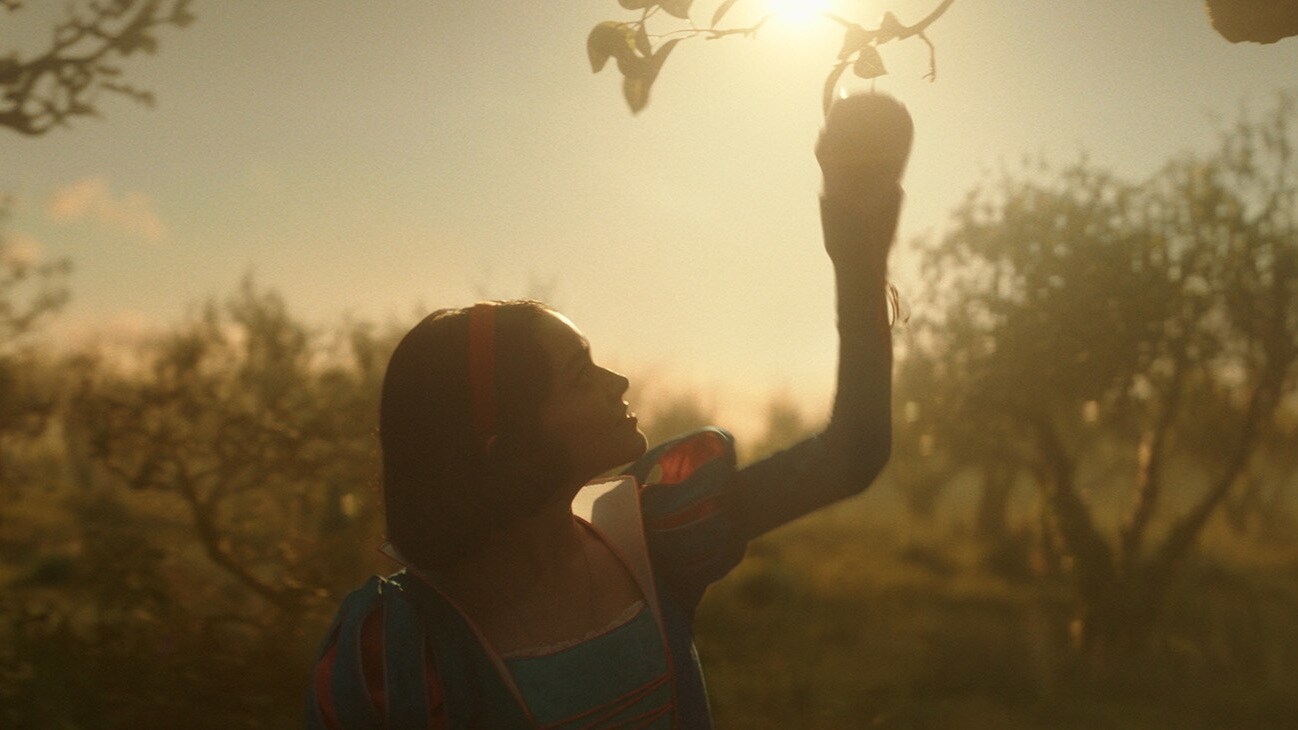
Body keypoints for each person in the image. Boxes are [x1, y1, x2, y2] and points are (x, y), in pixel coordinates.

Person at [307, 92, 912, 729]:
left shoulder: (654, 535)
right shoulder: (396, 657)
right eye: (579, 374)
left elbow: (854, 452)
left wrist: (856, 242)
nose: (618, 380)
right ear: (504, 440)